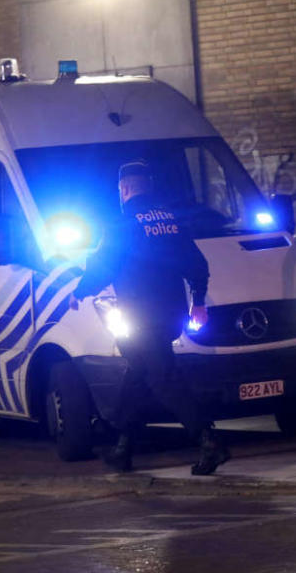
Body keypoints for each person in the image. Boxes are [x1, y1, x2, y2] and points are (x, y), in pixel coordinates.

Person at [70, 160, 228, 476]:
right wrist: (198, 302)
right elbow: (198, 264)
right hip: (171, 313)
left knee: (162, 377)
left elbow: (104, 267)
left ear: (124, 189)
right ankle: (122, 449)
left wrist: (80, 291)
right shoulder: (170, 221)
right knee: (138, 374)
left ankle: (209, 440)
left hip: (140, 316)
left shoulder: (122, 225)